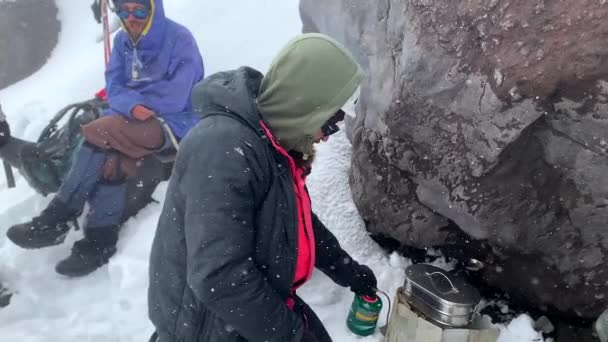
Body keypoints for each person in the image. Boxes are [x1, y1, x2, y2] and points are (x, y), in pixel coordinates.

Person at [147, 33, 377, 342]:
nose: (329, 135)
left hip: (255, 299)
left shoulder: (274, 144)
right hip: (209, 326)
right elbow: (219, 276)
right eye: (332, 120)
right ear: (306, 102)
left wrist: (348, 270)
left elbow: (296, 221)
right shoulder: (224, 149)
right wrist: (291, 336)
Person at [5, 0, 204, 277]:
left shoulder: (178, 39)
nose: (131, 17)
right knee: (110, 161)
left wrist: (133, 106)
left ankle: (57, 218)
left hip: (171, 124)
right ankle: (100, 240)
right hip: (128, 121)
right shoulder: (123, 42)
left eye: (139, 10)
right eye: (124, 10)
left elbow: (177, 96)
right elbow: (113, 86)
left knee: (97, 130)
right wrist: (131, 106)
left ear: (153, 10)